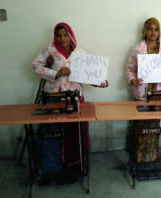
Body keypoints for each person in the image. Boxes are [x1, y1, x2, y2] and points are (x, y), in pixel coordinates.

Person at [32, 22, 108, 184]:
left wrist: (99, 81)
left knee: (76, 133)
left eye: (65, 35)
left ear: (71, 35)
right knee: (52, 133)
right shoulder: (49, 50)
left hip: (75, 99)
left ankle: (75, 165)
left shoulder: (80, 53)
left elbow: (89, 75)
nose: (62, 38)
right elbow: (34, 67)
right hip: (54, 97)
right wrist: (56, 72)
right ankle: (52, 168)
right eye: (59, 35)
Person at [126, 17, 161, 163]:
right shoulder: (137, 49)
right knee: (141, 126)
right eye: (150, 29)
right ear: (145, 31)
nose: (153, 32)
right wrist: (133, 80)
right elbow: (129, 69)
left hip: (158, 94)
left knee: (154, 126)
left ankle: (152, 154)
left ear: (159, 32)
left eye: (156, 29)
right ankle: (139, 156)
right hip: (142, 93)